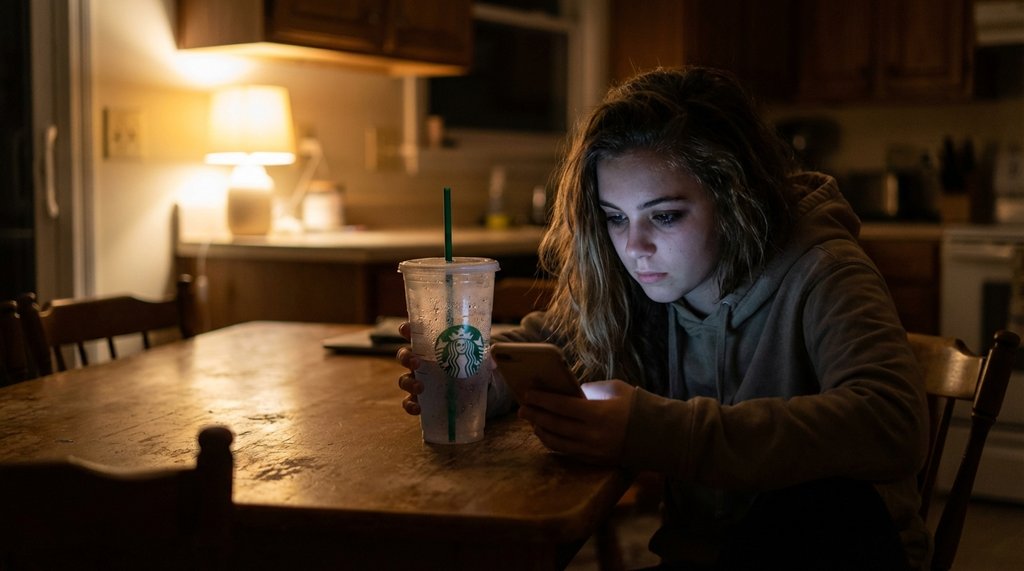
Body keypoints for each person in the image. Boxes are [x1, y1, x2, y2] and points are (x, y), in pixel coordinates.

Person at [397, 67, 929, 570]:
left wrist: (656, 430)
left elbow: (891, 423)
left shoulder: (824, 270)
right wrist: (476, 375)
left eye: (666, 216)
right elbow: (549, 339)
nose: (635, 247)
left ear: (735, 198)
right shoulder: (642, 282)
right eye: (615, 218)